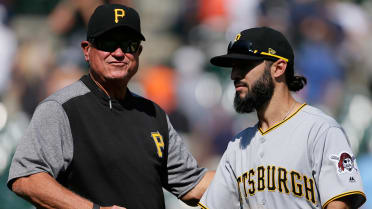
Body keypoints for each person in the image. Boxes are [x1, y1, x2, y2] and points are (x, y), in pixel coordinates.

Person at [7, 4, 214, 209]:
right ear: (87, 51)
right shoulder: (62, 108)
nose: (118, 52)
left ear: (139, 52)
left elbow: (192, 185)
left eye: (128, 45)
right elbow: (26, 178)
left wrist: (242, 170)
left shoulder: (152, 114)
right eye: (108, 43)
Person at [198, 27, 366, 209]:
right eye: (234, 67)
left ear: (278, 68)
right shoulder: (238, 146)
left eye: (244, 65)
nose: (234, 75)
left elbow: (339, 206)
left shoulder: (321, 130)